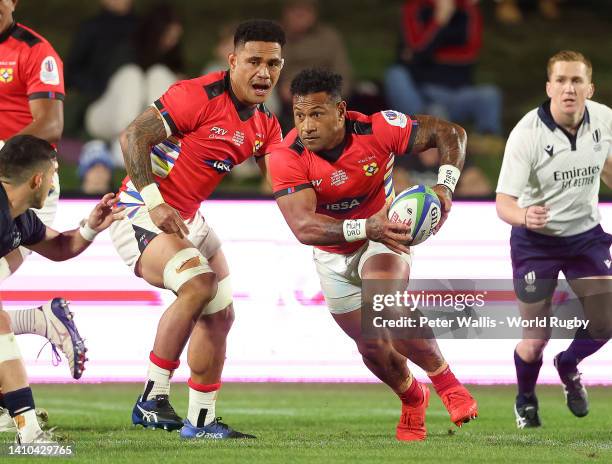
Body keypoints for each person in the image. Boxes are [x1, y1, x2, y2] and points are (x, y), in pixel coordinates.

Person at [268, 68, 478, 441]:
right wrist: (366, 227)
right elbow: (304, 228)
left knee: (385, 304)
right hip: (333, 253)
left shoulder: (378, 129)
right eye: (299, 116)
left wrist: (445, 188)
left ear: (341, 110)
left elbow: (451, 133)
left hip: (385, 236)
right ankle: (413, 397)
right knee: (371, 346)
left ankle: (447, 383)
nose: (306, 126)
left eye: (316, 114)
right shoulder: (287, 155)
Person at [110, 19, 285, 439]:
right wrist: (155, 203)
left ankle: (201, 420)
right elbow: (133, 136)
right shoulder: (196, 95)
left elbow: (287, 187)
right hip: (141, 210)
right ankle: (152, 398)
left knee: (221, 315)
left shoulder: (265, 125)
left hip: (189, 219)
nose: (264, 72)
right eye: (254, 61)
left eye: (274, 63)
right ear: (232, 61)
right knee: (199, 285)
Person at [496, 50, 612, 428]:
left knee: (606, 321)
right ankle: (525, 398)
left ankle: (569, 364)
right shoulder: (526, 134)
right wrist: (525, 215)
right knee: (535, 338)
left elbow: (604, 163)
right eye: (560, 80)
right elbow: (503, 203)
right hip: (535, 243)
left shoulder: (605, 119)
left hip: (585, 237)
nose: (568, 88)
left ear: (589, 88)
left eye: (576, 80)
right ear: (549, 87)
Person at [0, 135, 124, 444]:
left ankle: (23, 425)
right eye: (54, 174)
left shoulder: (18, 217)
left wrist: (91, 228)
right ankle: (28, 433)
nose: (56, 183)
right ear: (38, 179)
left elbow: (58, 246)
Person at [0, 0, 87, 383]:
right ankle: (39, 320)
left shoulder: (35, 52)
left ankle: (13, 406)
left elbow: (50, 125)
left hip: (25, 186)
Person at [384, 0, 504, 156]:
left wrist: (424, 53)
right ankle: (421, 132)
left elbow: (469, 54)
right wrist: (439, 22)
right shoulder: (414, 7)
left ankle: (486, 139)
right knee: (396, 75)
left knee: (490, 95)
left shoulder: (467, 9)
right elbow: (414, 51)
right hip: (422, 93)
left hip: (456, 93)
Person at [277, 0, 353, 132]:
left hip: (324, 95)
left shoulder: (329, 37)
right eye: (294, 10)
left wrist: (327, 97)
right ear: (285, 12)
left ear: (314, 13)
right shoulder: (274, 36)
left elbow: (344, 75)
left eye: (305, 10)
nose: (299, 14)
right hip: (285, 99)